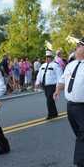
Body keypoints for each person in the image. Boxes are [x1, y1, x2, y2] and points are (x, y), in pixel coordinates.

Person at [53, 38, 84, 167]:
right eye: (77, 45)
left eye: (79, 45)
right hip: (70, 106)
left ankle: (80, 162)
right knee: (78, 133)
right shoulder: (71, 65)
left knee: (83, 135)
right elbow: (62, 80)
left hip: (83, 106)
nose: (76, 48)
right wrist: (57, 90)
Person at [35, 50, 62, 119]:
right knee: (50, 99)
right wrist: (37, 82)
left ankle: (50, 114)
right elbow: (39, 74)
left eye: (49, 57)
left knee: (49, 99)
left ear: (52, 57)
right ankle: (54, 113)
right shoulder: (43, 65)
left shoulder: (56, 65)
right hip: (45, 85)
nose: (47, 58)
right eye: (46, 57)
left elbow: (59, 76)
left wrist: (58, 87)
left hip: (52, 85)